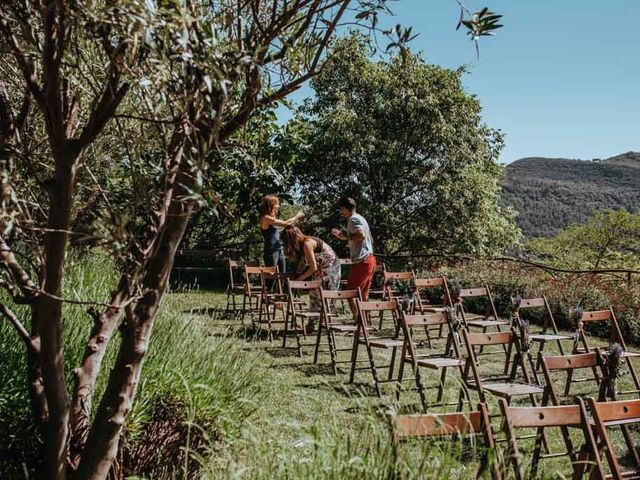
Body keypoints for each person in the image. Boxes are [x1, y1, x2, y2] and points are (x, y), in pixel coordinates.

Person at [281, 226, 341, 317]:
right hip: (321, 267)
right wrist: (297, 273)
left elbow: (313, 268)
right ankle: (313, 321)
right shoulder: (302, 245)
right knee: (313, 293)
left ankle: (323, 320)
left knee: (322, 294)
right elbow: (304, 262)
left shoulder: (307, 244)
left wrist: (299, 280)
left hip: (330, 267)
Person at [331, 197, 376, 317]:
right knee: (363, 295)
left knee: (349, 293)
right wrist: (349, 241)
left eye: (342, 209)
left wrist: (347, 237)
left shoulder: (353, 219)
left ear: (346, 208)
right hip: (369, 259)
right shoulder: (362, 218)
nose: (341, 212)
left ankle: (358, 321)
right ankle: (365, 324)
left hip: (362, 261)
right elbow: (370, 239)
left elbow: (360, 235)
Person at [258, 195, 304, 273]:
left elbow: (286, 225)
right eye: (276, 204)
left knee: (282, 275)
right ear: (270, 205)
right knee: (272, 276)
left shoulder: (272, 220)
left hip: (279, 250)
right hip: (271, 252)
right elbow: (285, 223)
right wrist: (297, 216)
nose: (278, 206)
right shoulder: (266, 218)